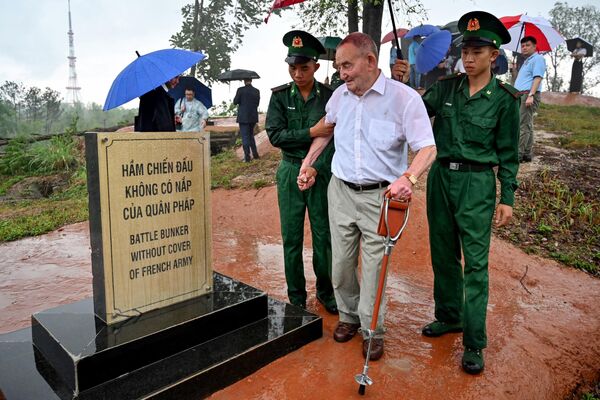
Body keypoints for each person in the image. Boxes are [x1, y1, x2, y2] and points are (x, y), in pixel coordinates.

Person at [298, 32, 436, 361]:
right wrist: (308, 162)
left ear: (370, 61)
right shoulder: (339, 98)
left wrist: (409, 177)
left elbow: (427, 147)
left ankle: (373, 330)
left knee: (375, 268)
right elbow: (327, 129)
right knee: (342, 265)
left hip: (382, 198)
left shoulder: (404, 99)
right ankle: (349, 317)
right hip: (341, 192)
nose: (341, 73)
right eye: (338, 67)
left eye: (347, 65)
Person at [419, 11, 520, 375]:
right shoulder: (445, 89)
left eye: (477, 51)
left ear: (494, 55)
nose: (469, 57)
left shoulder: (506, 99)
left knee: (475, 265)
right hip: (441, 178)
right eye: (465, 50)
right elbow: (412, 112)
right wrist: (400, 83)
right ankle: (449, 316)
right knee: (443, 254)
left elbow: (509, 154)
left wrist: (506, 196)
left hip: (477, 184)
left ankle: (474, 342)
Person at [265, 30, 338, 315]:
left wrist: (317, 168)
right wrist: (311, 132)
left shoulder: (330, 97)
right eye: (292, 67)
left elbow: (336, 139)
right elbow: (275, 135)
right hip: (290, 171)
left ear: (316, 66)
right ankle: (296, 295)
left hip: (321, 173)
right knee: (291, 237)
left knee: (324, 235)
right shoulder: (280, 97)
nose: (297, 73)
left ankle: (326, 292)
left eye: (304, 67)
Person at [514, 36, 546, 162]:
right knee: (527, 124)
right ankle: (527, 153)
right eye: (522, 46)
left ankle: (518, 155)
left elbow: (538, 78)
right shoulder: (526, 61)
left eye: (527, 45)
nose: (524, 47)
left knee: (523, 125)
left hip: (528, 94)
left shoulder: (538, 58)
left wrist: (531, 95)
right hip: (522, 94)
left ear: (534, 46)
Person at [234, 79, 261, 162]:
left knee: (245, 137)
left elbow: (235, 102)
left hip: (243, 117)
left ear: (244, 81)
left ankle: (247, 157)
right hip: (253, 117)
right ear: (251, 80)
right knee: (250, 135)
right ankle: (255, 155)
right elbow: (257, 104)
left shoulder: (240, 90)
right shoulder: (256, 91)